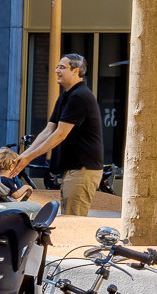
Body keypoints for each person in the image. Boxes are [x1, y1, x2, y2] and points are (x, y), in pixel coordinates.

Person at [14, 54, 103, 217]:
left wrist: (29, 158)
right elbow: (49, 131)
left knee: (73, 220)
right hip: (74, 170)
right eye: (57, 67)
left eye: (62, 67)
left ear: (76, 71)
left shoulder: (79, 96)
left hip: (82, 170)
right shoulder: (66, 96)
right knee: (69, 215)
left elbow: (60, 135)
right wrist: (24, 156)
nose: (56, 71)